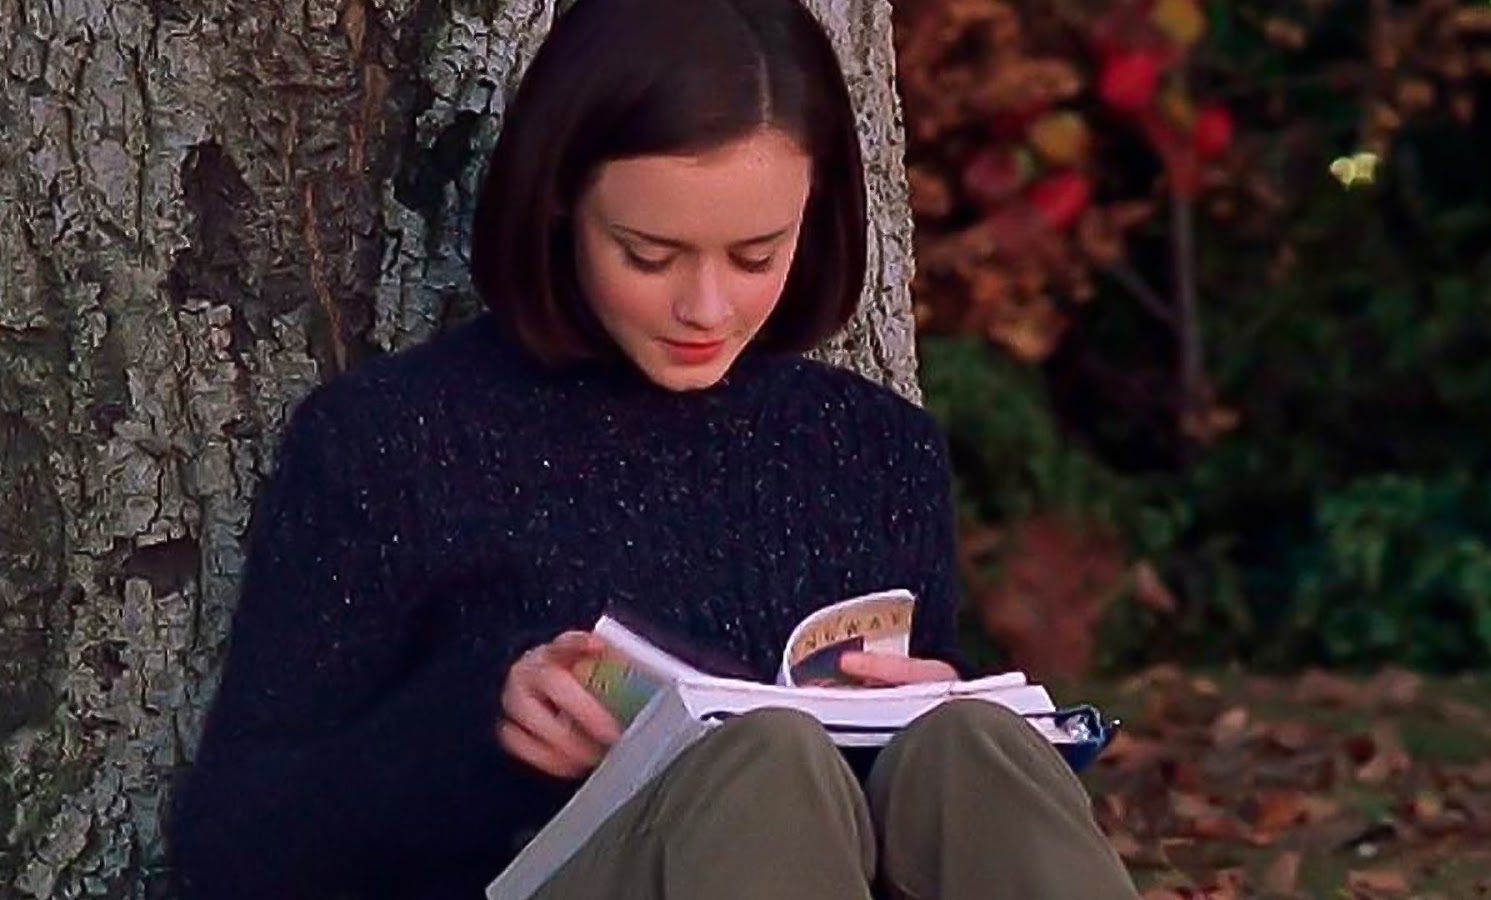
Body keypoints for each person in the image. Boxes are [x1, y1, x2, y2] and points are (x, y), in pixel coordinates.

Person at [167, 0, 1140, 897]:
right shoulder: (391, 441)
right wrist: (478, 725)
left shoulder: (873, 449)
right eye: (649, 254)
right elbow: (234, 850)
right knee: (765, 764)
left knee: (969, 746)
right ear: (561, 200)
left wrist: (925, 718)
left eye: (756, 256)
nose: (705, 308)